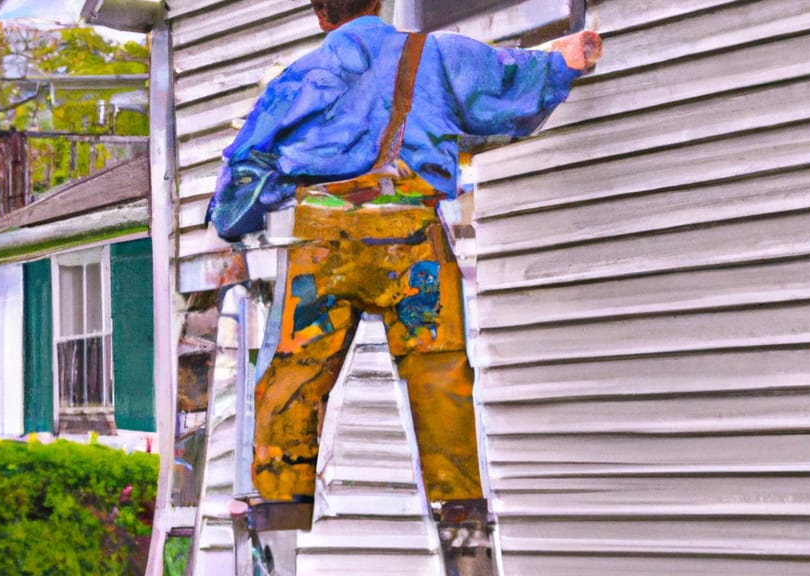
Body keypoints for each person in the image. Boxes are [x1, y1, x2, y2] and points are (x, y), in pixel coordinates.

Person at [206, 0, 602, 529]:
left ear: (321, 15)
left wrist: (238, 219)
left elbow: (247, 167)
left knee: (294, 375)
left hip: (324, 238)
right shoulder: (435, 57)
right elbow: (508, 83)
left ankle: (282, 506)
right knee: (439, 372)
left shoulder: (299, 77)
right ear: (382, 3)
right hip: (411, 230)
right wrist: (565, 61)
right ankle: (460, 513)